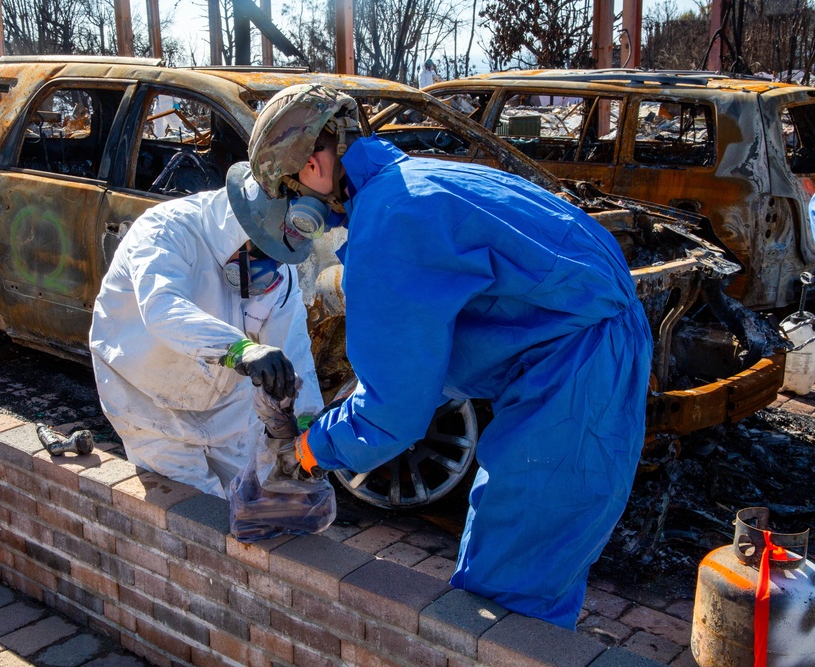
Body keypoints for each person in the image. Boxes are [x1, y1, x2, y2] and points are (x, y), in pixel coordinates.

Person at [234, 83, 653, 630]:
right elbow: (422, 361)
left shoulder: (388, 228)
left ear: (314, 165)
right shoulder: (411, 182)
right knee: (529, 554)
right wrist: (338, 421)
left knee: (510, 594)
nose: (292, 214)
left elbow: (396, 412)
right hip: (584, 350)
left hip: (577, 371)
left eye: (287, 194)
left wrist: (310, 451)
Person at [89, 176, 323, 498]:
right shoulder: (166, 231)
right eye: (262, 252)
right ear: (241, 231)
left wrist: (309, 425)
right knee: (194, 510)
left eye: (278, 258)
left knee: (260, 495)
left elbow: (294, 350)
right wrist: (240, 349)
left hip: (226, 400)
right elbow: (163, 308)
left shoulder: (280, 275)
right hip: (147, 399)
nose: (270, 270)